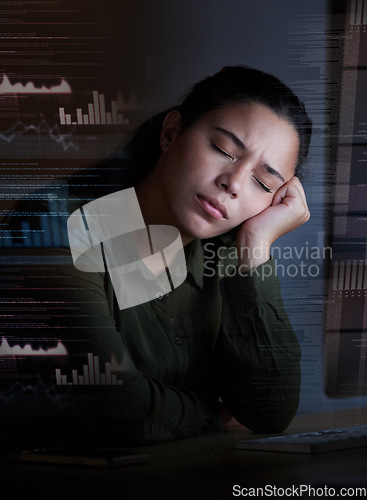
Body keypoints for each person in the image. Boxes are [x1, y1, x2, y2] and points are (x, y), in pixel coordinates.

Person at [1, 66, 312, 445]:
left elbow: (271, 410)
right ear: (171, 132)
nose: (232, 183)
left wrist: (256, 246)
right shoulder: (54, 227)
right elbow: (115, 407)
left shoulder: (227, 250)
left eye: (263, 183)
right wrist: (211, 413)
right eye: (223, 150)